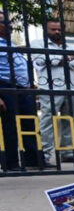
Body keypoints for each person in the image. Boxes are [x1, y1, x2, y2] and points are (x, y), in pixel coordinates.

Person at [33, 18, 74, 165]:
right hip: (50, 88)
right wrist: (64, 60)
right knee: (48, 120)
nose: (56, 32)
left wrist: (58, 60)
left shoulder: (72, 46)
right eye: (53, 29)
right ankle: (44, 155)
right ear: (46, 30)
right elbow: (42, 60)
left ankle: (68, 152)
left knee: (72, 120)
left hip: (72, 87)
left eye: (59, 29)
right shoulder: (38, 44)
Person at [0, 12, 41, 171]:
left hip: (21, 88)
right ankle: (10, 163)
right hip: (4, 86)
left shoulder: (8, 43)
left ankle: (33, 159)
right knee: (9, 127)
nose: (9, 26)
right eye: (4, 22)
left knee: (29, 122)